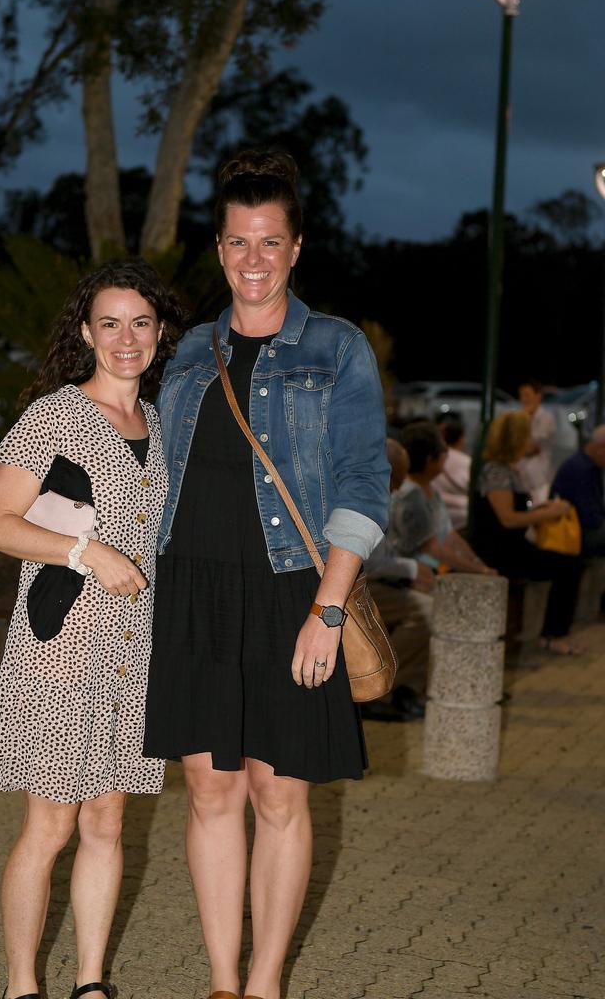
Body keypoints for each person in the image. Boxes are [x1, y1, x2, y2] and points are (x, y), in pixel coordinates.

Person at [143, 150, 390, 999]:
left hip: (292, 591)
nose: (254, 260)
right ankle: (221, 982)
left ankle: (265, 984)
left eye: (270, 242)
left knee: (279, 798)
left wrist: (327, 612)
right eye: (239, 243)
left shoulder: (336, 348)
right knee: (210, 794)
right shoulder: (184, 354)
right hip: (195, 592)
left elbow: (363, 486)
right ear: (219, 249)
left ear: (296, 249)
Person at [0, 259, 182, 999]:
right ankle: (23, 986)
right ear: (86, 332)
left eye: (141, 323)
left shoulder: (159, 420)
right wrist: (87, 551)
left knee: (108, 824)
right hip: (62, 646)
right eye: (110, 323)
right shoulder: (55, 415)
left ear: (160, 332)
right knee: (51, 827)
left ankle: (91, 983)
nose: (127, 339)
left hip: (133, 654)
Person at [473, 410, 581, 653]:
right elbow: (508, 519)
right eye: (527, 436)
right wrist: (550, 513)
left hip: (512, 546)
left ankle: (551, 633)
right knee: (568, 567)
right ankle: (553, 635)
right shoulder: (496, 471)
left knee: (568, 563)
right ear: (515, 439)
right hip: (498, 551)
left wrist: (544, 508)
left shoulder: (510, 469)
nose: (532, 441)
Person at [365, 439, 434, 720]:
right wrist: (413, 571)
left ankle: (402, 688)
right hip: (354, 586)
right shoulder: (367, 497)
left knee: (428, 604)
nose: (397, 490)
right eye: (397, 482)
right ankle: (383, 687)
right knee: (425, 612)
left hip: (369, 581)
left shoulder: (376, 494)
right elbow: (373, 563)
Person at [388, 421, 494, 575]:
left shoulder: (428, 487)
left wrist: (478, 564)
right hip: (414, 576)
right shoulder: (411, 495)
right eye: (444, 452)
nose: (447, 455)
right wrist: (479, 569)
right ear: (430, 459)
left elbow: (449, 534)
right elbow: (431, 547)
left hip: (433, 571)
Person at [551, 425, 605, 557]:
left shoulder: (586, 464)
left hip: (579, 528)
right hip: (573, 532)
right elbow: (589, 517)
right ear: (600, 449)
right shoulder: (581, 470)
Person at [517, 378, 556, 504]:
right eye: (521, 396)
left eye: (527, 395)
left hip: (538, 477)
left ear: (538, 397)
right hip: (520, 476)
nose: (524, 400)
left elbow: (532, 448)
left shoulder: (546, 418)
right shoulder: (519, 417)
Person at [432, 414, 471, 531]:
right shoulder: (466, 461)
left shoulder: (431, 458)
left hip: (436, 511)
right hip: (460, 516)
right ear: (461, 439)